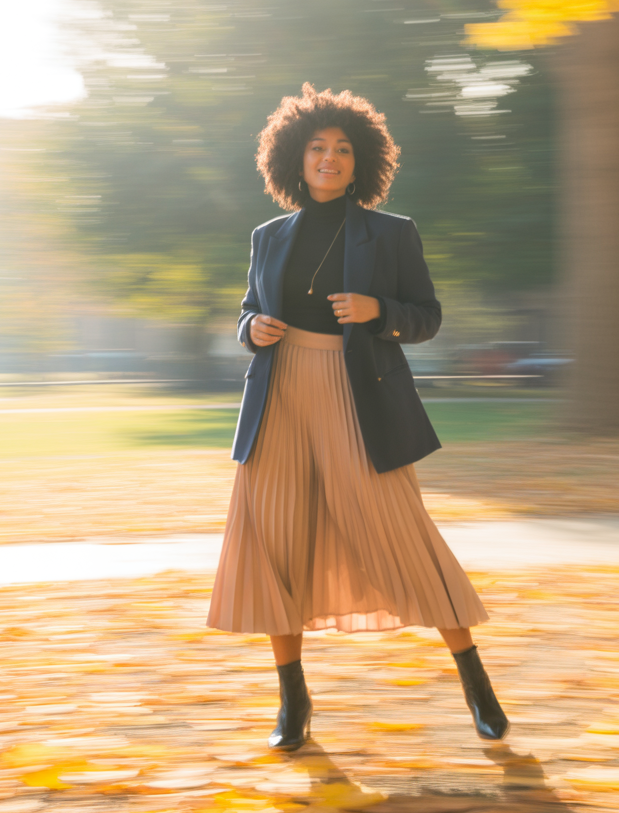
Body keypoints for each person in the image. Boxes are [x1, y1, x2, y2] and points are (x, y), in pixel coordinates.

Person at [207, 84, 509, 751]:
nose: (329, 157)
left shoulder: (391, 233)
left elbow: (426, 317)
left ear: (361, 161)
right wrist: (251, 327)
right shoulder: (267, 237)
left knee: (401, 529)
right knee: (272, 541)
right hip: (279, 392)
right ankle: (293, 701)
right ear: (293, 157)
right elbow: (247, 312)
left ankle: (476, 682)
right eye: (317, 147)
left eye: (343, 149)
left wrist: (380, 312)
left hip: (357, 395)